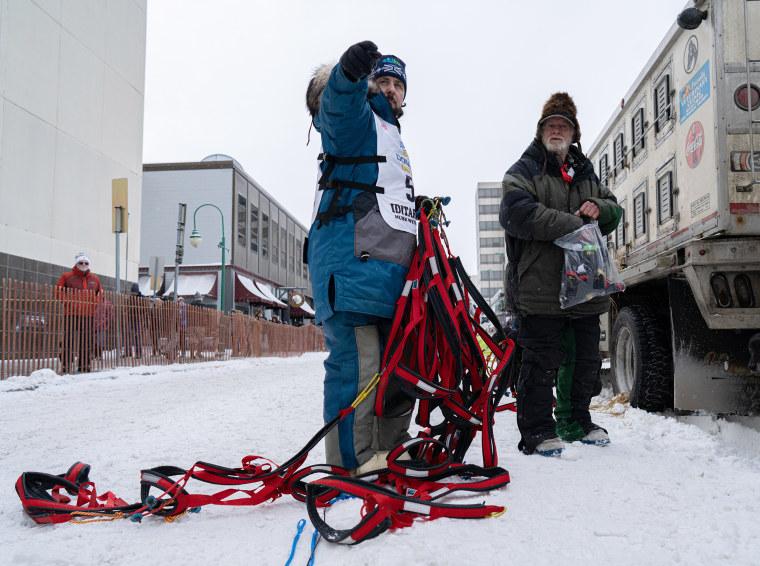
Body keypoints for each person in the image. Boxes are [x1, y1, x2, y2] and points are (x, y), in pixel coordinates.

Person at [305, 41, 417, 474]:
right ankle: (351, 461)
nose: (389, 90)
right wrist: (348, 76)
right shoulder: (356, 120)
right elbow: (335, 108)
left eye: (397, 84)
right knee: (359, 364)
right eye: (382, 81)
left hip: (390, 272)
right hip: (351, 264)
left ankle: (387, 448)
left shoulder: (392, 136)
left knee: (401, 365)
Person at [499, 92, 622, 457]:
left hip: (584, 287)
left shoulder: (585, 172)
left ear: (573, 133)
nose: (557, 130)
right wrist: (574, 225)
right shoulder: (523, 170)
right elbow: (516, 213)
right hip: (540, 287)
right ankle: (537, 431)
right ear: (540, 131)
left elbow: (614, 211)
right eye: (550, 125)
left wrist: (599, 208)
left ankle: (575, 421)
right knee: (540, 363)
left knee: (585, 361)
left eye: (563, 125)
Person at [56, 253, 102, 373]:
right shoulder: (67, 276)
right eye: (81, 263)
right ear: (76, 264)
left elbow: (100, 294)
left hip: (88, 315)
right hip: (71, 314)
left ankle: (84, 366)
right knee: (68, 340)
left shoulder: (95, 279)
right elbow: (59, 291)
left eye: (86, 263)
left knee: (86, 341)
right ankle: (66, 365)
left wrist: (94, 304)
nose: (83, 265)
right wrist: (69, 302)